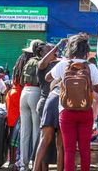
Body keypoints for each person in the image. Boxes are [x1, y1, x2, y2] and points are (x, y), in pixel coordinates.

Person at [46, 33, 98, 171]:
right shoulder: (90, 67)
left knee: (69, 150)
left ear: (70, 49)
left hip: (66, 111)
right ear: (86, 50)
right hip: (85, 111)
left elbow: (48, 78)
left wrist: (62, 79)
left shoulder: (64, 64)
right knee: (84, 149)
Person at [33, 41, 65, 171]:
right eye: (49, 49)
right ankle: (42, 168)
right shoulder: (42, 66)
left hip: (60, 103)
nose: (53, 51)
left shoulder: (58, 64)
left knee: (57, 143)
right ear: (42, 53)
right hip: (47, 103)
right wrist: (57, 46)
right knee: (45, 140)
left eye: (53, 49)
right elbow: (43, 62)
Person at [19, 40, 46, 171]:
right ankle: (35, 163)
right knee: (37, 130)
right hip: (36, 92)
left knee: (25, 131)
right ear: (40, 51)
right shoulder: (42, 62)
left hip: (24, 92)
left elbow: (20, 80)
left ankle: (23, 164)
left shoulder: (28, 61)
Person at [6, 51, 33, 168]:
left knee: (13, 131)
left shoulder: (19, 64)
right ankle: (16, 161)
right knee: (19, 132)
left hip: (13, 94)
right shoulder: (29, 66)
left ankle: (12, 161)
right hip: (20, 96)